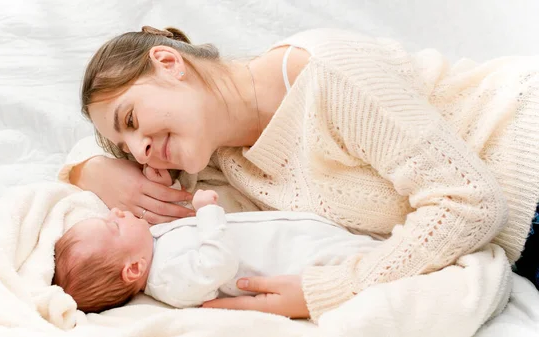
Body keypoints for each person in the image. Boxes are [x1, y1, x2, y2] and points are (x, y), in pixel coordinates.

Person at [58, 26, 539, 320]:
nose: (141, 151)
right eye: (125, 148)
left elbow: (471, 203)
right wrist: (93, 170)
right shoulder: (218, 163)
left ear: (168, 63)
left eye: (131, 120)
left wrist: (332, 291)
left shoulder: (325, 75)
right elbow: (76, 163)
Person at [53, 188, 379, 313]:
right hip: (298, 257)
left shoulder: (152, 245)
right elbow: (217, 264)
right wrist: (206, 213)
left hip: (295, 232)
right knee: (374, 262)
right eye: (113, 226)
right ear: (133, 269)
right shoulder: (169, 280)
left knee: (371, 244)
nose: (115, 213)